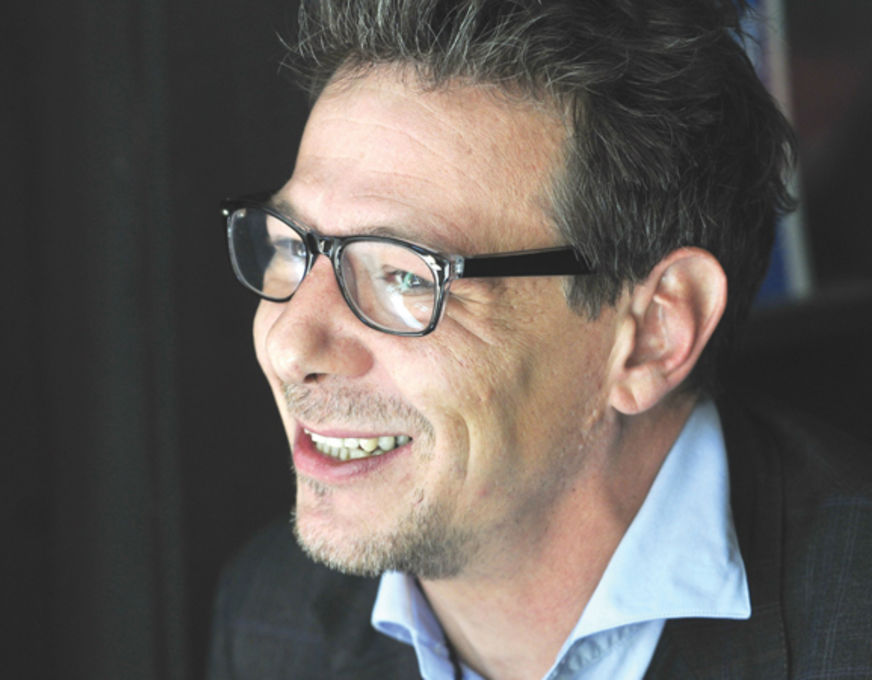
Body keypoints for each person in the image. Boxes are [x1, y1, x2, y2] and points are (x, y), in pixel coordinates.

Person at [208, 1, 872, 678]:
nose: (290, 345)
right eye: (291, 246)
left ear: (653, 333)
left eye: (406, 276)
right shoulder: (272, 615)